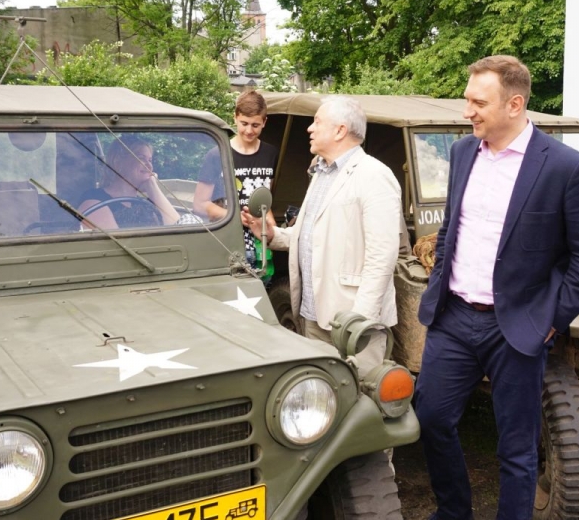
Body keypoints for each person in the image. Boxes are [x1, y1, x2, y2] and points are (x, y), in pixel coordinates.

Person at [415, 55, 579, 520]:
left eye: (479, 103)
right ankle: (453, 513)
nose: (468, 111)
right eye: (467, 100)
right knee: (431, 418)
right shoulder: (463, 152)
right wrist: (441, 278)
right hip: (453, 317)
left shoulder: (566, 168)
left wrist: (551, 319)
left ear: (515, 104)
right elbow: (451, 227)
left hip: (517, 328)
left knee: (517, 448)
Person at [244, 95, 401, 373]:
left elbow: (382, 256)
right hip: (313, 317)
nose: (310, 128)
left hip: (351, 324)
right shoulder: (320, 172)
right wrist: (272, 234)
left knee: (359, 393)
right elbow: (312, 236)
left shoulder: (374, 175)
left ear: (340, 130)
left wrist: (359, 322)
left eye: (317, 122)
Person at [194, 91, 278, 279]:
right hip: (226, 240)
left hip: (259, 240)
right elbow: (200, 204)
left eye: (255, 125)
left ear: (264, 122)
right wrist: (234, 216)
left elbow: (266, 199)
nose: (249, 130)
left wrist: (272, 227)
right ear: (235, 118)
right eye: (244, 123)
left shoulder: (270, 153)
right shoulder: (216, 154)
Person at [78, 135, 180, 229]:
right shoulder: (93, 201)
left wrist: (152, 186)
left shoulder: (145, 204)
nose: (149, 165)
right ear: (118, 162)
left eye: (150, 160)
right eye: (141, 158)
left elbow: (177, 229)